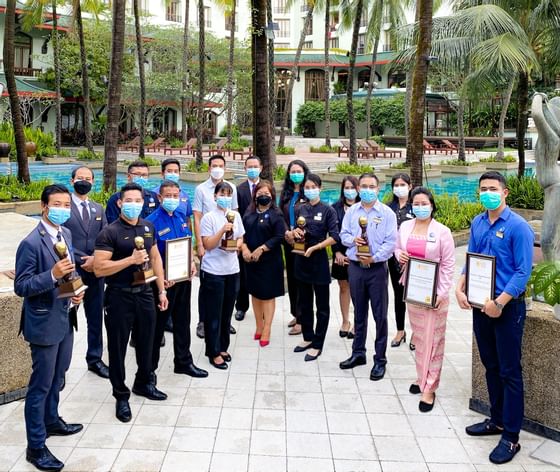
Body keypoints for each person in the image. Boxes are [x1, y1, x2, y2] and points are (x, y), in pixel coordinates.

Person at [456, 171, 534, 465]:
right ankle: (497, 420)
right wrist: (460, 286)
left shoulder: (518, 228)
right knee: (490, 365)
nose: (487, 193)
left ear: (505, 193)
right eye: (483, 189)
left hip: (506, 308)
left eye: (493, 188)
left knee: (509, 371)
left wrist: (500, 303)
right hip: (480, 306)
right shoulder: (478, 222)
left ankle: (511, 437)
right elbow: (473, 258)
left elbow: (522, 272)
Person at [15, 184, 84, 472]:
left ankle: (52, 420)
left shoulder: (64, 234)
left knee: (58, 376)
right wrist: (51, 275)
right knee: (40, 385)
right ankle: (36, 446)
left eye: (67, 204)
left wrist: (78, 290)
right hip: (43, 322)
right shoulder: (31, 243)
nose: (63, 209)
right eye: (57, 204)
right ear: (44, 206)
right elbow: (22, 286)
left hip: (65, 316)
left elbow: (71, 271)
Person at [94, 183, 169, 424]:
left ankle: (143, 382)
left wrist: (161, 291)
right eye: (129, 200)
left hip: (145, 292)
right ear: (119, 203)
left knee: (148, 341)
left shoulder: (148, 226)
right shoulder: (110, 232)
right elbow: (99, 268)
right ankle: (121, 394)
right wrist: (130, 260)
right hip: (119, 295)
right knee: (117, 347)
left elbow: (155, 256)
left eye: (138, 200)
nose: (134, 204)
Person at [395, 187, 455, 412]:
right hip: (413, 290)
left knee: (434, 340)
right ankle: (421, 377)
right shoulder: (405, 226)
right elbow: (398, 248)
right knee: (420, 338)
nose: (420, 207)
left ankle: (430, 387)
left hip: (434, 294)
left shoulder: (442, 232)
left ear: (432, 205)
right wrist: (398, 254)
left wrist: (441, 292)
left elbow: (448, 265)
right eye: (416, 203)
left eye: (424, 203)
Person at [147, 180, 208, 380]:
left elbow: (186, 243)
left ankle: (183, 362)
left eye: (176, 196)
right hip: (163, 283)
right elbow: (148, 258)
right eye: (169, 196)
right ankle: (149, 370)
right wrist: (160, 279)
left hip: (183, 280)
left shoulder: (181, 217)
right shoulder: (151, 223)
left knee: (183, 321)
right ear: (160, 197)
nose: (173, 199)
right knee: (157, 327)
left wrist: (191, 262)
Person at [338, 173, 397, 381]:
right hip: (355, 268)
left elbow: (391, 242)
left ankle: (380, 359)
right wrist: (352, 240)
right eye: (364, 186)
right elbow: (343, 235)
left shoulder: (387, 213)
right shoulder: (352, 211)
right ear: (357, 188)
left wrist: (375, 257)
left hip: (377, 270)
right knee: (359, 312)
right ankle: (358, 353)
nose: (367, 190)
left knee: (380, 316)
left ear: (378, 189)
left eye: (372, 186)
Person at [285, 173, 339, 361]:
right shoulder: (300, 208)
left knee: (322, 305)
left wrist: (316, 247)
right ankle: (308, 336)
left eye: (312, 187)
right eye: (306, 187)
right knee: (304, 303)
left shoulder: (328, 210)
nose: (309, 190)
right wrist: (292, 235)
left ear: (320, 188)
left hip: (318, 261)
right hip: (301, 260)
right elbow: (295, 232)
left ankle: (318, 343)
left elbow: (334, 236)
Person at [63, 166, 109, 379]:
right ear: (72, 181)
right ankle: (60, 366)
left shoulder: (98, 208)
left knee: (95, 316)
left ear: (93, 181)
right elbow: (60, 240)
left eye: (88, 178)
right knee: (66, 317)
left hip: (95, 272)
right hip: (71, 272)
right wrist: (85, 259)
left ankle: (95, 359)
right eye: (80, 178)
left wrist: (97, 259)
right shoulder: (63, 207)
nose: (84, 181)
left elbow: (105, 238)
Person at [199, 182, 245, 369]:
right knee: (214, 314)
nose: (225, 196)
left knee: (227, 313)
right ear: (215, 196)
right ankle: (213, 351)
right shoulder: (209, 218)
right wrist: (222, 231)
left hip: (232, 270)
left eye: (228, 193)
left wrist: (238, 244)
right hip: (213, 272)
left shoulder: (236, 216)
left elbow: (241, 236)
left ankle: (223, 347)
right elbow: (208, 244)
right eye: (222, 193)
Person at [193, 154, 239, 338]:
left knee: (227, 289)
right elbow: (196, 216)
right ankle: (203, 321)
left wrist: (236, 241)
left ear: (225, 167)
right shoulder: (201, 189)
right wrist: (199, 244)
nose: (217, 168)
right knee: (206, 286)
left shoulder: (231, 188)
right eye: (214, 165)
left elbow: (234, 214)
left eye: (220, 165)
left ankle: (224, 321)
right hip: (208, 240)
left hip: (227, 249)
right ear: (209, 168)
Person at [241, 180, 286, 346]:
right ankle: (258, 326)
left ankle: (267, 328)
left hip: (269, 262)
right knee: (255, 293)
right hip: (251, 261)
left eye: (266, 194)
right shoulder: (249, 213)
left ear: (272, 196)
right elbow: (241, 235)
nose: (263, 197)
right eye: (260, 194)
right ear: (255, 196)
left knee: (267, 295)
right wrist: (244, 249)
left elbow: (279, 237)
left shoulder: (276, 214)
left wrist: (262, 248)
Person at [279, 159, 309, 336]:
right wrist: (286, 233)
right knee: (291, 278)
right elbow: (279, 214)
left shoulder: (308, 192)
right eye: (292, 171)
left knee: (302, 281)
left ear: (304, 172)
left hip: (303, 242)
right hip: (288, 241)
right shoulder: (286, 194)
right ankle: (295, 313)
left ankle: (303, 319)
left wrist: (297, 232)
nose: (295, 174)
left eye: (299, 170)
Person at [387, 173, 415, 349]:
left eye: (402, 184)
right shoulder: (388, 208)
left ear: (410, 186)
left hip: (414, 259)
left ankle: (416, 333)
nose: (399, 187)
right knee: (399, 294)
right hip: (394, 259)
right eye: (396, 185)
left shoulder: (416, 206)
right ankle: (400, 330)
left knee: (413, 296)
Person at [331, 176, 360, 339]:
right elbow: (333, 232)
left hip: (359, 256)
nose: (350, 191)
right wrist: (337, 252)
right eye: (346, 187)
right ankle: (345, 321)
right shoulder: (335, 208)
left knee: (358, 290)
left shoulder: (364, 208)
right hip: (341, 256)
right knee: (344, 287)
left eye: (353, 187)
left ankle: (357, 323)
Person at [235, 156, 262, 321]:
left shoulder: (266, 187)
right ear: (245, 169)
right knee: (242, 275)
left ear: (261, 168)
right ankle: (241, 307)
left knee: (261, 274)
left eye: (255, 166)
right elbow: (236, 214)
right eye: (249, 166)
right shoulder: (239, 189)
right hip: (244, 237)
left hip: (262, 236)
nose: (252, 169)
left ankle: (263, 306)